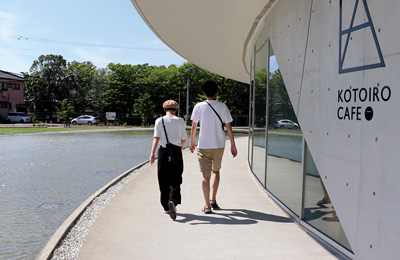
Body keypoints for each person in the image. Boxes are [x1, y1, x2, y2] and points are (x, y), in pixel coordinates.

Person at [189, 80, 237, 214]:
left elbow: (194, 126)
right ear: (217, 92)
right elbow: (228, 127)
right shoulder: (223, 107)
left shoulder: (199, 106)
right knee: (216, 171)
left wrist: (192, 142)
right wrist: (233, 145)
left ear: (203, 93)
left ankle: (206, 206)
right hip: (219, 144)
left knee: (205, 176)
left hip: (203, 145)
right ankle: (212, 199)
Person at [150, 100, 187, 220]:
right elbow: (183, 138)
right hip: (175, 150)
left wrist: (152, 153)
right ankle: (173, 200)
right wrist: (179, 149)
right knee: (176, 178)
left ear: (164, 109)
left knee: (163, 178)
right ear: (175, 109)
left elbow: (156, 138)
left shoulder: (159, 121)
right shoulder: (180, 120)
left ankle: (166, 206)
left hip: (163, 151)